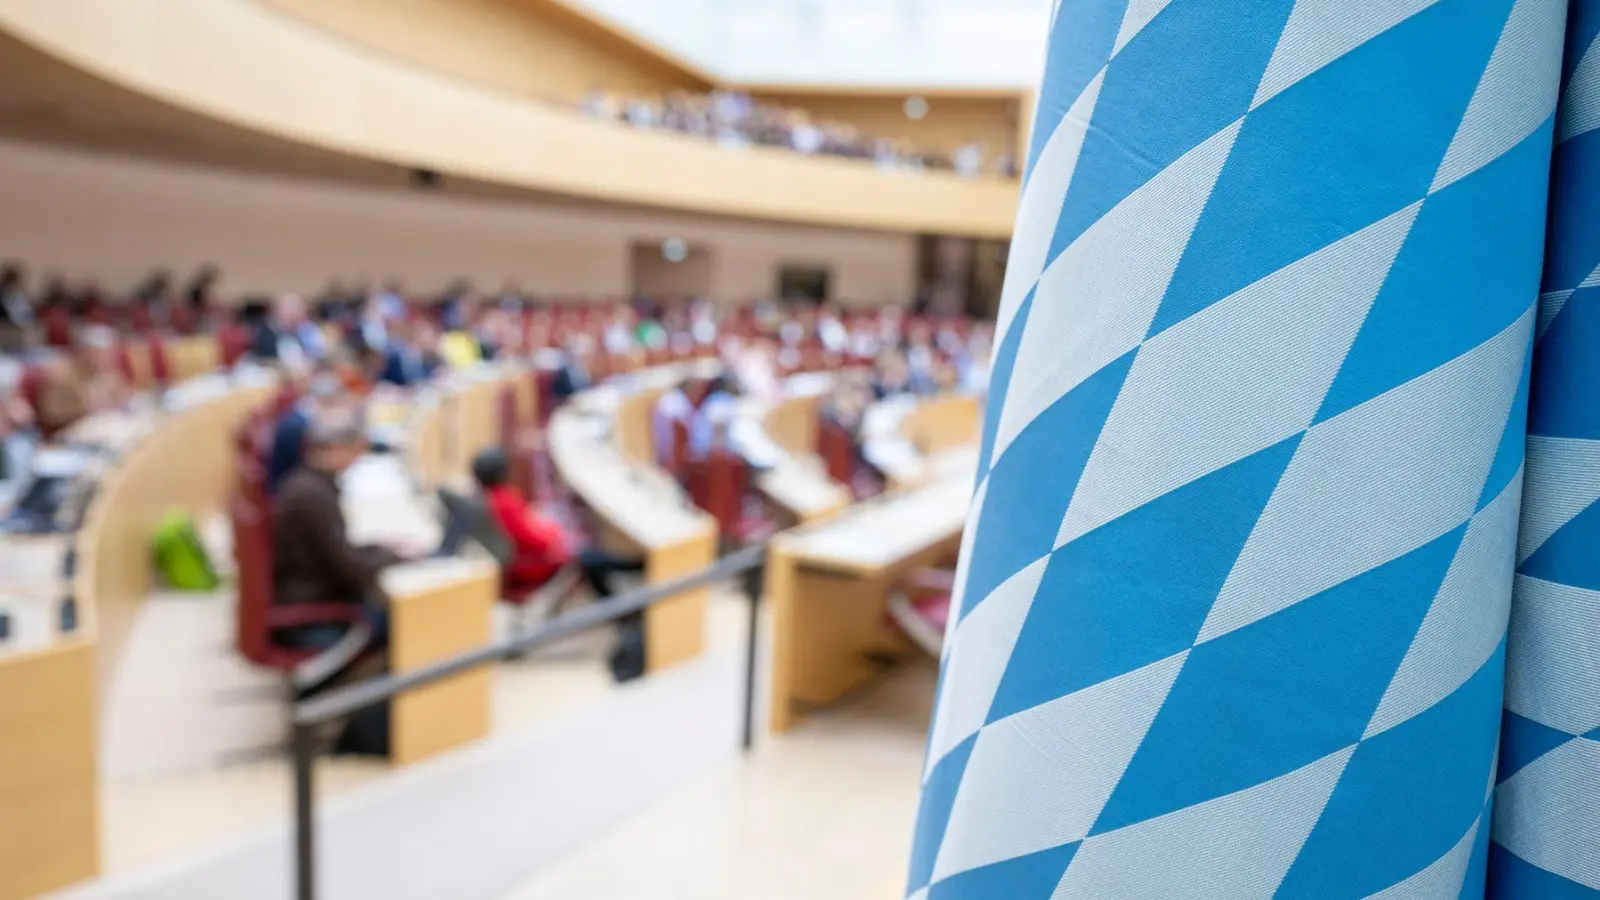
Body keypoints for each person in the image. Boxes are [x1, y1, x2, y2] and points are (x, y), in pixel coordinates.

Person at [271, 408, 401, 651]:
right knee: (404, 620)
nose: (357, 459)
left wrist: (377, 549)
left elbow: (340, 553)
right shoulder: (313, 496)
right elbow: (350, 570)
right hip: (312, 617)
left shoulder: (306, 483)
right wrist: (395, 557)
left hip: (311, 596)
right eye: (354, 450)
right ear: (335, 449)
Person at [471, 448, 643, 601]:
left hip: (521, 563)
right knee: (588, 558)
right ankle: (630, 578)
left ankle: (628, 578)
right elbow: (535, 540)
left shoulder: (484, 500)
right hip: (533, 566)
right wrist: (556, 532)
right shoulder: (504, 501)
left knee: (589, 557)